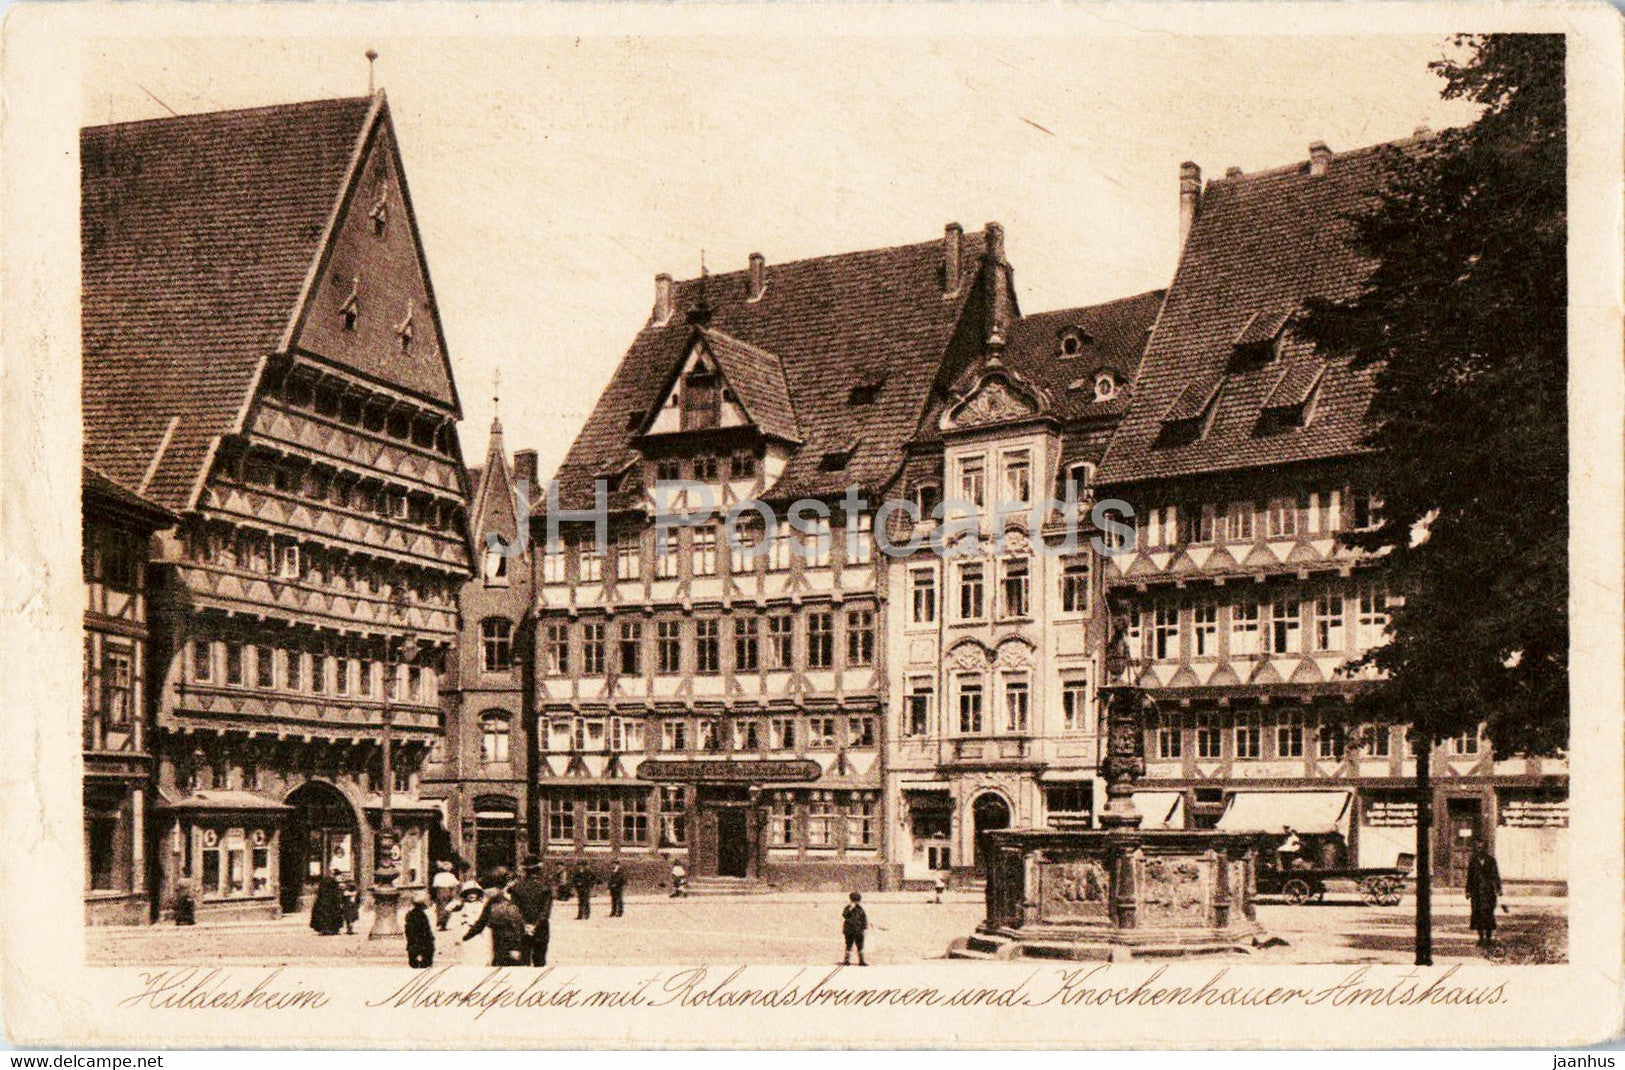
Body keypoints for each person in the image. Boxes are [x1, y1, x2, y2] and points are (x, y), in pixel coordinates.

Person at [462, 879, 527, 966]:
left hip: (506, 941)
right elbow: (481, 923)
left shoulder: (501, 906)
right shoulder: (502, 905)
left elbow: (480, 924)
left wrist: (467, 936)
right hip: (503, 942)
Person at [509, 857, 555, 966]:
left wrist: (525, 925)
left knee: (524, 962)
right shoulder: (545, 887)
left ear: (525, 870)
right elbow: (545, 911)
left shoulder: (516, 887)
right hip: (540, 928)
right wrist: (535, 925)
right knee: (539, 961)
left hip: (522, 929)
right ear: (539, 869)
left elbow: (514, 910)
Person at [1465, 839, 1504, 947]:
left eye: (1482, 848)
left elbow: (1495, 875)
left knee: (1488, 914)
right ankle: (1481, 937)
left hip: (1488, 892)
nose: (1479, 849)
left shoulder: (1491, 861)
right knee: (1477, 914)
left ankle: (1488, 938)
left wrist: (1498, 888)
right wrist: (1468, 891)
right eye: (1478, 848)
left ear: (1485, 849)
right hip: (1476, 892)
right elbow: (1469, 877)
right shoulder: (1473, 861)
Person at [404, 892, 435, 968]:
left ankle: (416, 961)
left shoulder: (410, 915)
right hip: (422, 942)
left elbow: (408, 930)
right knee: (428, 954)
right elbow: (426, 930)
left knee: (414, 959)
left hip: (414, 942)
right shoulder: (422, 916)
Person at [431, 861, 460, 931]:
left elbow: (434, 885)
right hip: (449, 891)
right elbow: (456, 884)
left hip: (440, 891)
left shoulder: (437, 876)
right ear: (449, 869)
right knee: (448, 907)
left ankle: (440, 922)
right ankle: (444, 922)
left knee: (440, 907)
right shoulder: (451, 876)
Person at [841, 892, 869, 966]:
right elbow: (845, 915)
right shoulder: (849, 908)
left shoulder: (860, 909)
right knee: (849, 945)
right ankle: (847, 960)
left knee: (860, 945)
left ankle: (861, 960)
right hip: (850, 930)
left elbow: (864, 919)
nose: (856, 902)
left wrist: (865, 928)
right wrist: (850, 908)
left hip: (858, 930)